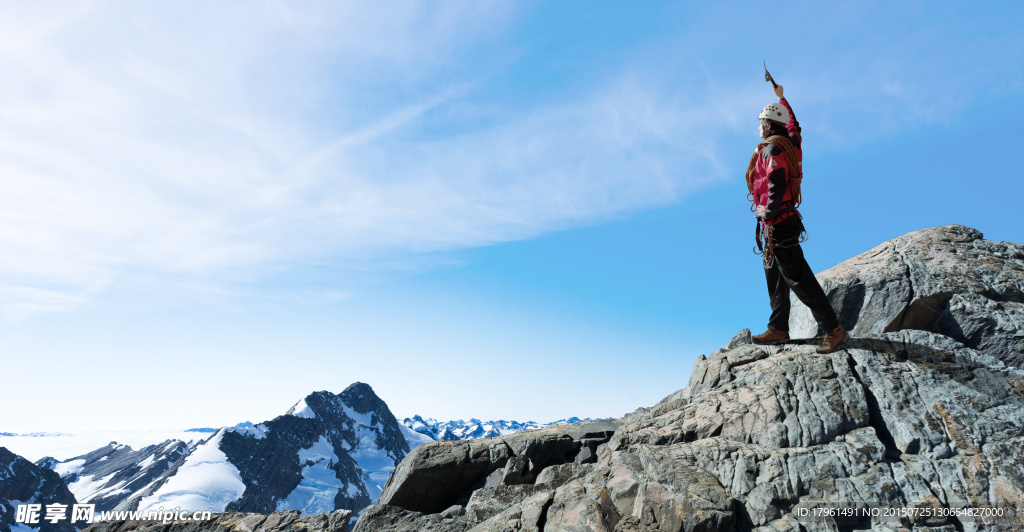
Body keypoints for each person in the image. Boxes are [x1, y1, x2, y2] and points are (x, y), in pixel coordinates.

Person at [745, 82, 849, 354]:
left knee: (799, 279)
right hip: (780, 222)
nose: (759, 128)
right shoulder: (791, 143)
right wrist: (782, 98)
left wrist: (766, 213)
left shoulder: (770, 149)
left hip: (777, 222)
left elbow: (777, 183)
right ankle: (779, 328)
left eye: (760, 123)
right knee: (777, 277)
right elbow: (794, 126)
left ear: (768, 125)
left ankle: (834, 330)